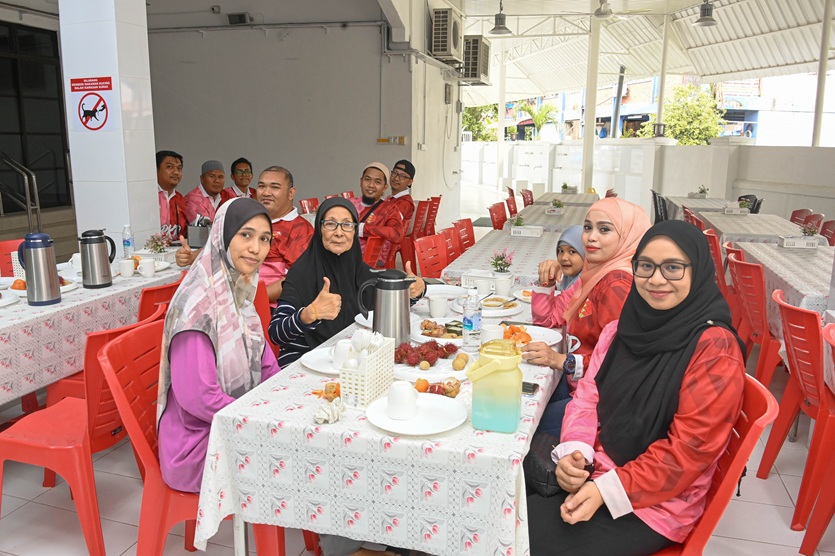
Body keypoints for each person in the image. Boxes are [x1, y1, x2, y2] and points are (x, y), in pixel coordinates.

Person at [527, 220, 746, 555]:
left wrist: (606, 490)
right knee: (504, 498)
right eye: (646, 266)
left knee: (516, 534)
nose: (656, 279)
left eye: (672, 267)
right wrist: (576, 452)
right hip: (598, 469)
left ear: (698, 271)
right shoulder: (619, 331)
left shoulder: (715, 349)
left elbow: (688, 453)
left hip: (654, 505)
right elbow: (586, 400)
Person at [157, 197, 279, 493]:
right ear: (222, 236)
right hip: (197, 447)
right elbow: (199, 399)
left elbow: (267, 368)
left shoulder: (238, 293)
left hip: (232, 422)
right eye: (246, 235)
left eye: (264, 239)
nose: (256, 248)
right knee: (300, 461)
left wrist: (285, 403)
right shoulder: (197, 308)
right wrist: (260, 420)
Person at [523, 198, 650, 437]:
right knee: (525, 396)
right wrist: (545, 283)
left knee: (525, 425)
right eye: (588, 227)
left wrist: (562, 360)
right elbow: (548, 320)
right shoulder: (595, 274)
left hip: (602, 402)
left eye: (605, 229)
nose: (591, 237)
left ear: (628, 235)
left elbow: (618, 361)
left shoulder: (617, 284)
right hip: (580, 384)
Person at [269, 197, 425, 368]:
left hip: (352, 358)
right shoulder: (302, 272)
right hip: (305, 359)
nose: (339, 232)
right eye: (330, 224)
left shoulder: (360, 271)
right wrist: (309, 314)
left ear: (354, 230)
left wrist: (415, 291)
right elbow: (276, 333)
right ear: (319, 229)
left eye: (347, 224)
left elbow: (388, 307)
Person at [256, 166, 314, 303]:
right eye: (261, 186)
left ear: (291, 193)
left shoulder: (300, 230)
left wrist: (251, 299)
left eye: (274, 187)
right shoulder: (252, 222)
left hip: (271, 307)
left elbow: (295, 281)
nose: (266, 192)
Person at [350, 162, 405, 268]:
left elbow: (396, 234)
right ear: (361, 181)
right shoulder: (349, 203)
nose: (371, 185)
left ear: (385, 187)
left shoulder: (389, 209)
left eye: (377, 182)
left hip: (369, 263)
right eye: (367, 179)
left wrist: (362, 229)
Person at [156, 150, 188, 240]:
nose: (176, 172)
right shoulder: (148, 196)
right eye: (170, 167)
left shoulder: (180, 199)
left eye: (179, 168)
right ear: (156, 170)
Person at [184, 160, 225, 224]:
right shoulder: (193, 199)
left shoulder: (224, 196)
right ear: (202, 179)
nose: (217, 180)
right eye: (212, 176)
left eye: (220, 177)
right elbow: (205, 226)